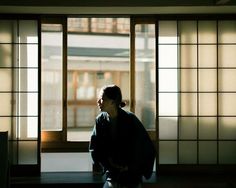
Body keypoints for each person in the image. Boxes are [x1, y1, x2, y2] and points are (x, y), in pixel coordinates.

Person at [89, 85, 156, 188]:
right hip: (112, 173)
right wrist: (107, 165)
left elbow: (145, 147)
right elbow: (95, 147)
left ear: (112, 102)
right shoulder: (100, 120)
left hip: (132, 173)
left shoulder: (130, 119)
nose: (98, 101)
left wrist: (129, 166)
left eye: (102, 99)